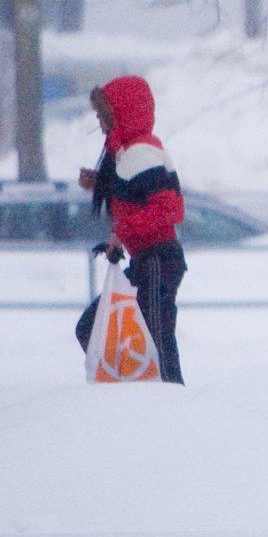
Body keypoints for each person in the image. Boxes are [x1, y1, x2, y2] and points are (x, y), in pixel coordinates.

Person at [76, 75, 187, 383]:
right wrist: (101, 184)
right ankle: (135, 393)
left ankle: (165, 405)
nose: (100, 122)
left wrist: (122, 233)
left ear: (122, 112)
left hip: (157, 261)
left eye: (104, 114)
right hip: (148, 260)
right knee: (101, 329)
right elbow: (137, 197)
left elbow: (169, 209)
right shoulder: (130, 154)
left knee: (156, 344)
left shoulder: (140, 153)